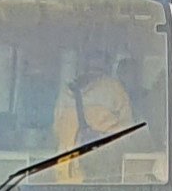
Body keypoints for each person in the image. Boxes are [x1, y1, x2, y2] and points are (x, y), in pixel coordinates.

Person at [52, 49, 133, 183]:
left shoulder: (66, 92)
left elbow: (56, 131)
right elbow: (128, 134)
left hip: (66, 175)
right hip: (101, 177)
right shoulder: (115, 89)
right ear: (107, 63)